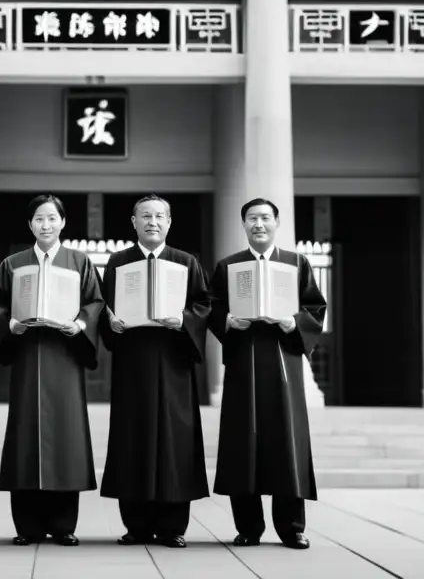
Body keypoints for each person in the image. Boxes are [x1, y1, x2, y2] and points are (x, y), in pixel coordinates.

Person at [0, 194, 105, 546]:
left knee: (66, 438)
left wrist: (80, 325)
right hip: (27, 356)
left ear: (63, 222)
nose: (46, 225)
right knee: (25, 436)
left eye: (52, 218)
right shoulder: (13, 264)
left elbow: (95, 301)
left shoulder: (79, 261)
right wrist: (11, 326)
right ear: (30, 224)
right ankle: (27, 527)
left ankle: (63, 525)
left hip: (64, 356)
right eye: (39, 219)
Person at [207, 197, 327, 550]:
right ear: (243, 225)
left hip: (281, 362)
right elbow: (211, 307)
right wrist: (229, 320)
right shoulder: (228, 266)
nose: (258, 224)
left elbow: (315, 307)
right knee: (242, 444)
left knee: (287, 442)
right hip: (244, 362)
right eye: (251, 219)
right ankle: (248, 527)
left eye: (264, 218)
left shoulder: (295, 263)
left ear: (276, 222)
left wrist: (292, 322)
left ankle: (292, 527)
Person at [97, 194, 210, 549]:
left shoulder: (186, 261)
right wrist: (110, 321)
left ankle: (173, 526)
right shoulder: (118, 261)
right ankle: (137, 525)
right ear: (133, 222)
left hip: (173, 362)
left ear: (169, 222)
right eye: (145, 216)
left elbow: (203, 306)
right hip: (133, 361)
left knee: (175, 442)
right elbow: (103, 307)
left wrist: (184, 320)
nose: (152, 222)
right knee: (133, 439)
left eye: (159, 216)